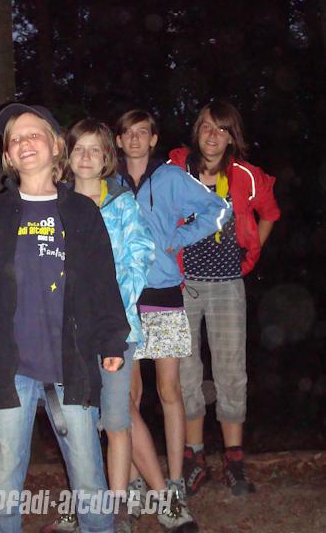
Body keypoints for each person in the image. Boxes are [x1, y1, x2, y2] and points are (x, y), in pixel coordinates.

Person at [0, 102, 130, 533]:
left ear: (56, 146)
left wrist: (112, 339)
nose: (24, 142)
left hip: (72, 364)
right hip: (7, 368)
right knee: (4, 476)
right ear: (8, 156)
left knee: (89, 476)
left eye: (34, 133)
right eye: (14, 139)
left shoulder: (82, 212)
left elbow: (103, 282)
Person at [115, 109, 232, 533]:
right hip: (122, 300)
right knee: (126, 398)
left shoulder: (169, 178)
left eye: (142, 133)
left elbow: (218, 209)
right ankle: (133, 482)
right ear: (118, 140)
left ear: (153, 139)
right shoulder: (109, 181)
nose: (134, 139)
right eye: (127, 133)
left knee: (169, 391)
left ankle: (176, 482)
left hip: (163, 294)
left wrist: (175, 239)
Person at [43, 119, 154, 533]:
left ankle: (118, 506)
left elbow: (140, 255)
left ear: (107, 156)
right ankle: (87, 503)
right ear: (66, 155)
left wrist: (112, 310)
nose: (86, 157)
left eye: (95, 149)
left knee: (117, 418)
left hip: (115, 330)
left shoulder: (122, 204)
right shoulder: (55, 204)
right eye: (79, 149)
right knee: (78, 420)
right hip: (70, 335)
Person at [168, 99, 280, 497]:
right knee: (185, 372)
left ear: (232, 136)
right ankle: (195, 457)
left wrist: (251, 255)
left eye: (222, 129)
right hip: (182, 285)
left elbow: (270, 212)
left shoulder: (246, 175)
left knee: (231, 370)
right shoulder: (176, 170)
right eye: (206, 127)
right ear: (196, 131)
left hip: (228, 283)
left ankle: (234, 460)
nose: (213, 135)